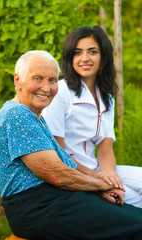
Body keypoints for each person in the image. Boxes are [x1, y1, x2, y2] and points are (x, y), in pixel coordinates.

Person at [0, 50, 142, 240]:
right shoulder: (17, 115)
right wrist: (100, 185)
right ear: (17, 80)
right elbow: (57, 174)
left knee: (133, 216)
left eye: (52, 80)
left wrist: (97, 182)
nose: (46, 88)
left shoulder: (33, 117)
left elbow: (62, 162)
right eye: (38, 78)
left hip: (56, 201)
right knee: (136, 227)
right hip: (39, 209)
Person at [43, 26, 142, 208]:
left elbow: (105, 149)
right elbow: (57, 152)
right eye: (77, 52)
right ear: (69, 57)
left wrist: (109, 176)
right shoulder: (60, 92)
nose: (85, 59)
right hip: (74, 174)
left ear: (103, 56)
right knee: (135, 200)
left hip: (97, 169)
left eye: (93, 52)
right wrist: (96, 180)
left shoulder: (107, 97)